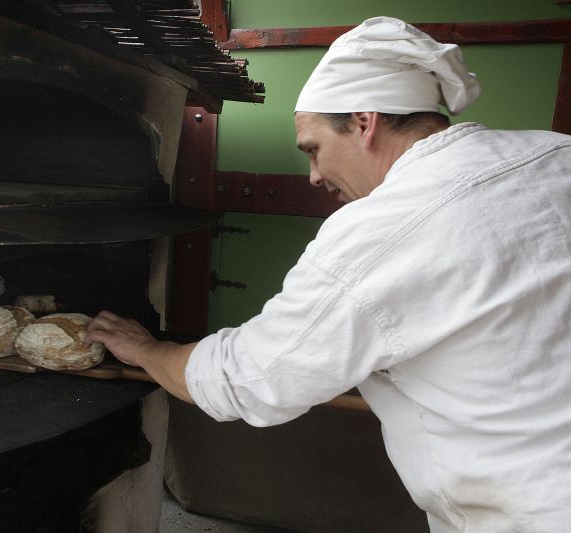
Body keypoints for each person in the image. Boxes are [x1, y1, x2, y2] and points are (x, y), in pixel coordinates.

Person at [86, 16, 571, 532]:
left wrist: (146, 350)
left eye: (313, 149)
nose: (314, 176)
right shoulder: (555, 154)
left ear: (364, 122)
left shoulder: (385, 228)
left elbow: (250, 380)